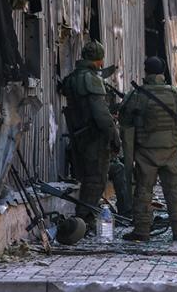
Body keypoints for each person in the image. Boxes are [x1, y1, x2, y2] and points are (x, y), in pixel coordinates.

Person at [119, 56, 177, 241]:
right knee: (174, 192)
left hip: (146, 152)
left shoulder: (137, 95)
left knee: (143, 192)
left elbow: (125, 122)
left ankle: (142, 230)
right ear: (163, 72)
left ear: (146, 72)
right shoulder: (176, 94)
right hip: (171, 151)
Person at [61, 40, 121, 228]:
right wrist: (115, 137)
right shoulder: (91, 79)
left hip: (79, 135)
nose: (102, 64)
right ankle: (83, 220)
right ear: (98, 60)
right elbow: (101, 115)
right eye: (101, 60)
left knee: (88, 179)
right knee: (96, 180)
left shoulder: (71, 78)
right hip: (94, 137)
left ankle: (85, 219)